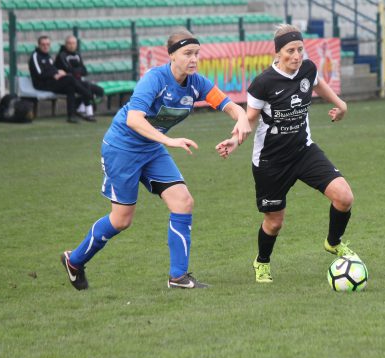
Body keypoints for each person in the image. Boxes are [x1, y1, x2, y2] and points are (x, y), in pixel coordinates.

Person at [60, 29, 251, 290]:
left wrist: (240, 118)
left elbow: (229, 105)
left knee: (183, 202)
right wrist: (169, 141)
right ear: (171, 55)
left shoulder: (197, 83)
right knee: (121, 219)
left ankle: (178, 277)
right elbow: (133, 119)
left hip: (151, 148)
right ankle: (75, 260)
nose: (194, 59)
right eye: (187, 53)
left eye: (196, 53)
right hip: (122, 149)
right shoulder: (155, 79)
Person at [216, 24, 357, 284]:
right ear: (278, 53)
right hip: (271, 161)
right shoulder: (263, 83)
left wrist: (340, 104)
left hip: (304, 151)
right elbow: (249, 119)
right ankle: (262, 263)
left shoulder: (307, 68)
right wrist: (235, 141)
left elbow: (318, 85)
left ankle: (333, 242)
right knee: (274, 222)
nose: (296, 55)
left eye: (300, 49)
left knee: (344, 197)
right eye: (290, 50)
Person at [28, 35, 95, 123]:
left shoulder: (47, 56)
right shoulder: (35, 56)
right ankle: (89, 95)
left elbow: (52, 69)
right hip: (41, 84)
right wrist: (54, 74)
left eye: (48, 44)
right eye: (43, 44)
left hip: (51, 82)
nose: (46, 46)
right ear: (39, 45)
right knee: (70, 79)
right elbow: (39, 73)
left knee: (70, 87)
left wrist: (58, 72)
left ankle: (71, 116)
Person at [55, 35, 104, 121]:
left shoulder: (77, 55)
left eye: (73, 43)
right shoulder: (61, 55)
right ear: (65, 44)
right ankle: (89, 113)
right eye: (69, 43)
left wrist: (76, 70)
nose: (71, 45)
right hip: (67, 82)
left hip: (78, 81)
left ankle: (80, 108)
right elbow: (68, 69)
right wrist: (78, 70)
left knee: (100, 90)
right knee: (86, 87)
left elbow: (85, 71)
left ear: (76, 44)